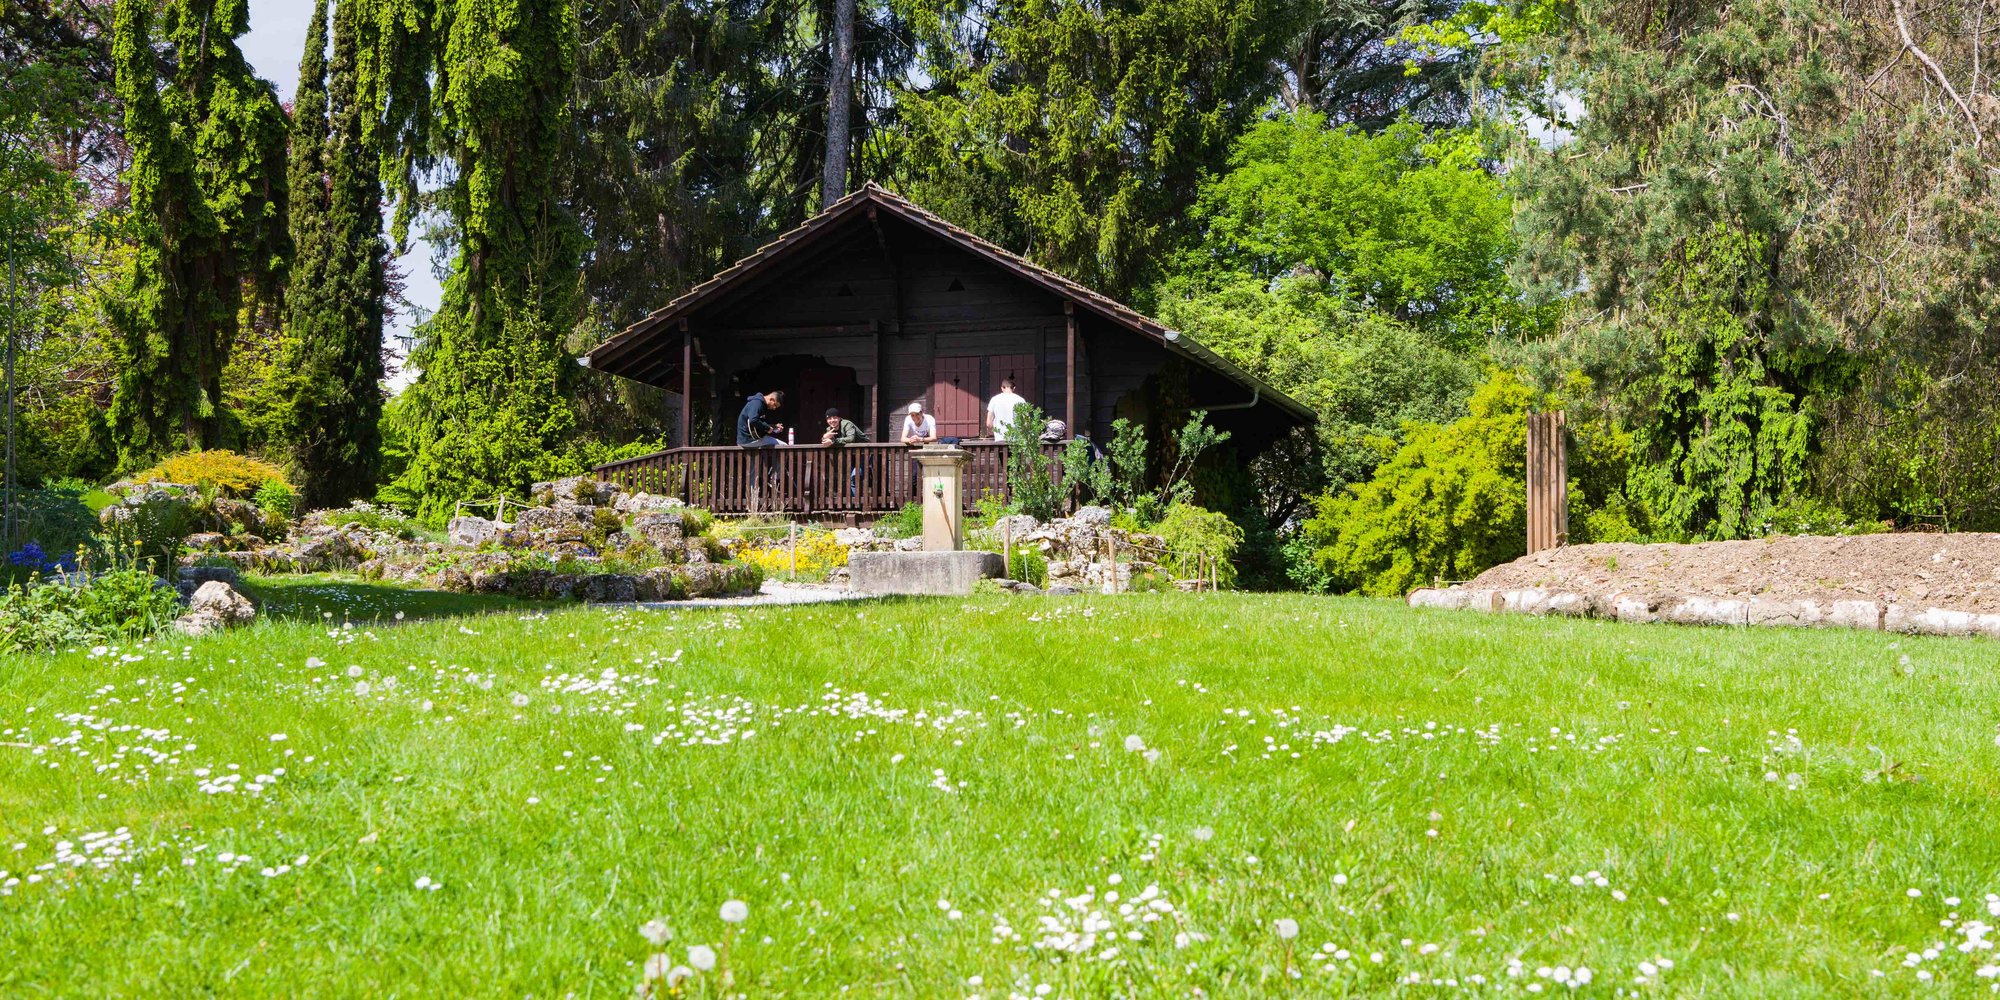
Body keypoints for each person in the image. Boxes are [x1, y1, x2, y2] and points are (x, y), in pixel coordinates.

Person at [822, 408, 869, 496]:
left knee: (855, 477)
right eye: (829, 418)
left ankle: (857, 503)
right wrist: (824, 437)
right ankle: (854, 503)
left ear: (839, 418)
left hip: (864, 453)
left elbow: (850, 439)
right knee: (850, 479)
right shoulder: (829, 429)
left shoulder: (847, 424)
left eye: (834, 417)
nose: (832, 420)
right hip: (851, 455)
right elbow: (827, 442)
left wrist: (833, 442)